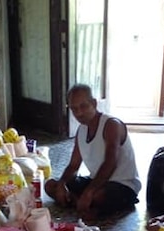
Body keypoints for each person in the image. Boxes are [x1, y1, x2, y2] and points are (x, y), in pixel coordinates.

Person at [44, 83, 141, 221]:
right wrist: (62, 184)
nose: (79, 113)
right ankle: (85, 205)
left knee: (97, 196)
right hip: (97, 180)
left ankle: (83, 202)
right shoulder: (81, 131)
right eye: (74, 109)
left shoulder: (111, 125)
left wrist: (90, 191)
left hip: (123, 185)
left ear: (94, 103)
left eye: (83, 106)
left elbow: (110, 163)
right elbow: (73, 166)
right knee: (50, 185)